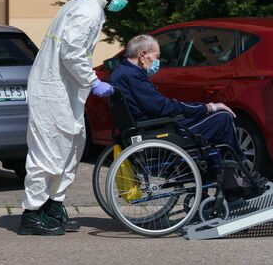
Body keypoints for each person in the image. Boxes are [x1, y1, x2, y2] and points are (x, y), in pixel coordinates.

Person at [18, 0, 135, 236]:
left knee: (71, 147)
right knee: (48, 151)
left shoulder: (86, 6)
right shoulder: (88, 10)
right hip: (52, 90)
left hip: (63, 90)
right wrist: (93, 81)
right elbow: (71, 53)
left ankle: (53, 205)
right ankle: (32, 214)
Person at [111, 34, 267, 195]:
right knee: (222, 118)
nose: (158, 62)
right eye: (157, 57)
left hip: (145, 129)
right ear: (143, 55)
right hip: (156, 132)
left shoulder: (120, 72)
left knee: (210, 121)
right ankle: (234, 177)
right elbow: (162, 107)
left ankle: (227, 176)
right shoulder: (134, 77)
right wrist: (207, 107)